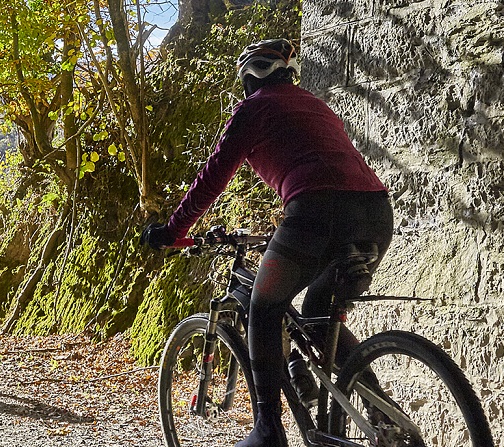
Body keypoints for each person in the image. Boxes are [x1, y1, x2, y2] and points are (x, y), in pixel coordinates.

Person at [141, 38, 393, 447]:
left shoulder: (254, 108)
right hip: (376, 215)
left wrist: (172, 231)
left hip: (315, 213)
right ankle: (383, 415)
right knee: (317, 311)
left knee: (263, 307)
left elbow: (212, 177)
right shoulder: (316, 105)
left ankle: (268, 430)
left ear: (248, 78)